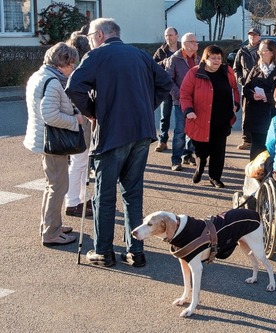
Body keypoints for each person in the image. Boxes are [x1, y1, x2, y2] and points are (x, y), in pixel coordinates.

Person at [67, 18, 172, 267]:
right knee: (133, 193)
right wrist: (146, 107)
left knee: (104, 195)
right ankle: (135, 252)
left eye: (91, 36)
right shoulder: (140, 54)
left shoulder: (97, 56)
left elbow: (73, 87)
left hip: (112, 134)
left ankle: (103, 251)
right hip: (141, 132)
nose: (90, 41)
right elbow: (166, 83)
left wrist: (94, 112)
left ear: (100, 35)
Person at [24, 42, 81, 246]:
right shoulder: (53, 81)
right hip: (53, 143)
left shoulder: (39, 76)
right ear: (61, 63)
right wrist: (76, 121)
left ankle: (51, 225)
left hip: (43, 140)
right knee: (58, 187)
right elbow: (50, 115)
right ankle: (51, 233)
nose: (73, 68)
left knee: (52, 187)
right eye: (71, 64)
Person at [180, 45, 240, 188]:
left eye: (219, 58)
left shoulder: (227, 71)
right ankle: (200, 168)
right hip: (200, 118)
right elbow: (184, 94)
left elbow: (235, 89)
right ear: (205, 58)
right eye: (213, 58)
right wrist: (188, 110)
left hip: (222, 118)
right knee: (202, 150)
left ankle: (215, 177)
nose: (217, 61)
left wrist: (236, 103)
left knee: (218, 151)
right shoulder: (194, 73)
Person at [242, 39, 276, 161]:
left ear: (272, 52)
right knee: (257, 148)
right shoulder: (256, 69)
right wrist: (252, 95)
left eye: (263, 50)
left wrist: (270, 97)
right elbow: (246, 89)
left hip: (275, 115)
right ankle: (255, 174)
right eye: (259, 50)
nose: (260, 53)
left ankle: (274, 174)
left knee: (274, 148)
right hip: (257, 116)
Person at [64, 32, 93, 218]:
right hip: (80, 120)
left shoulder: (71, 69)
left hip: (78, 119)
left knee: (81, 162)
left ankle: (81, 198)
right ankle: (73, 201)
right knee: (79, 161)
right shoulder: (80, 69)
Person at [165, 32, 198, 171]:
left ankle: (188, 155)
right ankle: (176, 160)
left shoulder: (199, 59)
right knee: (180, 131)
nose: (196, 44)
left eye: (196, 42)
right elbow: (168, 81)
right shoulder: (174, 59)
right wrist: (180, 95)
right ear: (185, 44)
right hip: (181, 102)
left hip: (197, 102)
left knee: (193, 131)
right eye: (193, 42)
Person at [152, 27, 181, 153]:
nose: (168, 38)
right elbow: (153, 66)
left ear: (177, 36)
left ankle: (184, 145)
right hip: (166, 88)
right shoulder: (161, 51)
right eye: (166, 35)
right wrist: (166, 61)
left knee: (181, 116)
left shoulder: (183, 49)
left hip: (180, 87)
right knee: (165, 116)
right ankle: (162, 141)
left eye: (171, 35)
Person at [234, 28, 262, 150]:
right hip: (246, 87)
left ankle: (260, 139)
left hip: (261, 85)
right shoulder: (242, 51)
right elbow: (236, 68)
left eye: (255, 35)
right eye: (250, 35)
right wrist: (241, 80)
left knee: (261, 113)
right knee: (246, 113)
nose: (252, 37)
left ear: (259, 37)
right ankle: (246, 139)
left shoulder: (264, 49)